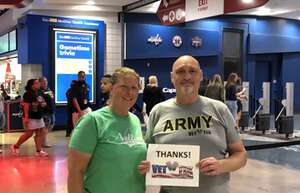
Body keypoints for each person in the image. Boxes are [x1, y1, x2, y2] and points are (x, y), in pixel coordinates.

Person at [138, 55, 247, 193]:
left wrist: (221, 165)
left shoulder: (219, 109)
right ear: (172, 77)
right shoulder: (158, 111)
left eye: (192, 71)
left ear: (200, 75)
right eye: (181, 71)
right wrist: (148, 165)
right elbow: (147, 155)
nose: (187, 77)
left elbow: (240, 155)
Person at [68, 67, 147, 193]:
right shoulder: (92, 121)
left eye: (134, 88)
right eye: (124, 87)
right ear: (112, 88)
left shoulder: (135, 121)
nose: (130, 93)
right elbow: (75, 172)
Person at [11, 79, 48, 156]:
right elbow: (26, 106)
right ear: (32, 85)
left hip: (39, 115)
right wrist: (26, 117)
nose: (39, 84)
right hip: (31, 116)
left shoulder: (39, 92)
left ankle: (39, 151)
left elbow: (42, 102)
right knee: (29, 133)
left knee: (40, 132)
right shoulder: (28, 94)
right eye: (36, 83)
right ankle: (15, 146)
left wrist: (43, 104)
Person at [38, 77, 55, 147]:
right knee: (45, 127)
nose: (45, 83)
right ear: (40, 83)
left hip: (51, 111)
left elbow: (52, 99)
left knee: (51, 125)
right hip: (45, 112)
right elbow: (41, 101)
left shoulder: (49, 90)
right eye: (43, 81)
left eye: (46, 81)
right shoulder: (39, 92)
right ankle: (43, 142)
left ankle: (41, 140)